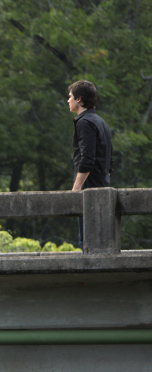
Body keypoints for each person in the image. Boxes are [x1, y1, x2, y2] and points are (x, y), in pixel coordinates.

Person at [67, 80, 112, 249]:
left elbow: (87, 158)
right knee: (101, 244)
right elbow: (109, 160)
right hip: (103, 187)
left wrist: (76, 188)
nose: (68, 100)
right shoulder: (101, 122)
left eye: (70, 97)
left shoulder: (84, 122)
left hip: (90, 191)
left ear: (79, 99)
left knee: (87, 244)